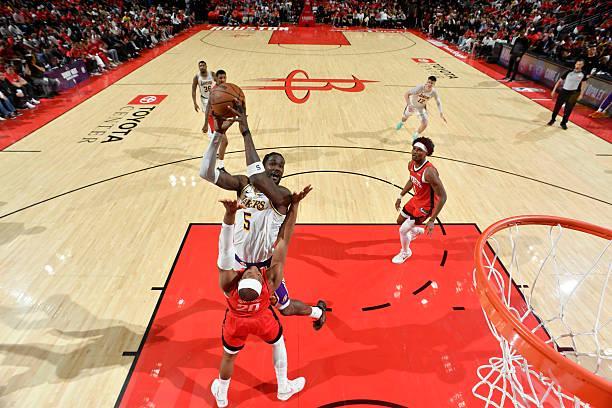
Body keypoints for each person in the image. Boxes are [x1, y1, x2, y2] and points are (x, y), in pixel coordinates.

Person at [199, 104, 327, 329]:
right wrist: (217, 134)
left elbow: (259, 178)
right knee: (239, 303)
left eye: (281, 166)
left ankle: (318, 312)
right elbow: (206, 173)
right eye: (273, 164)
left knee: (285, 309)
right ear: (263, 165)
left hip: (266, 268)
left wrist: (245, 130)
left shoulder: (282, 195)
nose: (277, 169)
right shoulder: (243, 184)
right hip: (238, 263)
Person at [211, 188, 310, 407]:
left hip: (235, 323)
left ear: (241, 281)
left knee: (228, 357)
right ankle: (283, 387)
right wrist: (294, 206)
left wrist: (229, 215)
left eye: (251, 273)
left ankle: (222, 396)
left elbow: (225, 248)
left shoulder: (228, 286)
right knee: (278, 344)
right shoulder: (270, 283)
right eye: (255, 274)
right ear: (261, 284)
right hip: (262, 320)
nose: (254, 269)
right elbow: (284, 240)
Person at [392, 137, 447, 264]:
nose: (415, 152)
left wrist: (432, 220)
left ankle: (405, 252)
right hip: (416, 199)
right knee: (399, 221)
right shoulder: (411, 164)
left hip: (426, 207)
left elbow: (443, 197)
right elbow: (412, 180)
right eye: (414, 149)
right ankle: (415, 231)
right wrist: (400, 196)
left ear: (426, 153)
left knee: (402, 230)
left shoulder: (429, 173)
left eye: (419, 150)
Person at [395, 76, 446, 140]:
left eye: (432, 83)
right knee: (405, 118)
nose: (430, 84)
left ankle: (416, 134)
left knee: (425, 123)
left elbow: (438, 101)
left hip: (421, 108)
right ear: (426, 82)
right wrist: (409, 104)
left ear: (434, 84)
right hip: (412, 106)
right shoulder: (419, 88)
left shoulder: (433, 92)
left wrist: (441, 113)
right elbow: (406, 94)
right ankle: (401, 122)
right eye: (429, 82)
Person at [548, 59, 587, 130]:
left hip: (574, 93)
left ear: (582, 65)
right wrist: (553, 90)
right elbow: (559, 81)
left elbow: (584, 85)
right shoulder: (569, 72)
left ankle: (563, 123)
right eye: (577, 64)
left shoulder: (583, 74)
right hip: (564, 91)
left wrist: (581, 94)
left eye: (580, 64)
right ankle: (552, 119)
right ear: (575, 64)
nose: (578, 65)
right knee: (557, 106)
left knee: (568, 109)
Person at [204, 69, 228, 170]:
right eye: (220, 78)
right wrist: (205, 124)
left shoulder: (226, 88)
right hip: (213, 118)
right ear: (216, 79)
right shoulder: (213, 91)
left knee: (219, 141)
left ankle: (213, 160)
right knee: (224, 141)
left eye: (224, 78)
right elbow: (208, 108)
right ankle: (220, 166)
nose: (222, 80)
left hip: (220, 117)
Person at [191, 60, 216, 135]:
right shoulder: (197, 77)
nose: (202, 67)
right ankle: (211, 129)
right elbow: (193, 90)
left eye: (203, 65)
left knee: (215, 113)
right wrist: (195, 103)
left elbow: (219, 82)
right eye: (200, 66)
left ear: (206, 66)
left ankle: (214, 128)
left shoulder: (212, 74)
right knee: (208, 114)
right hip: (204, 99)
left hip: (213, 97)